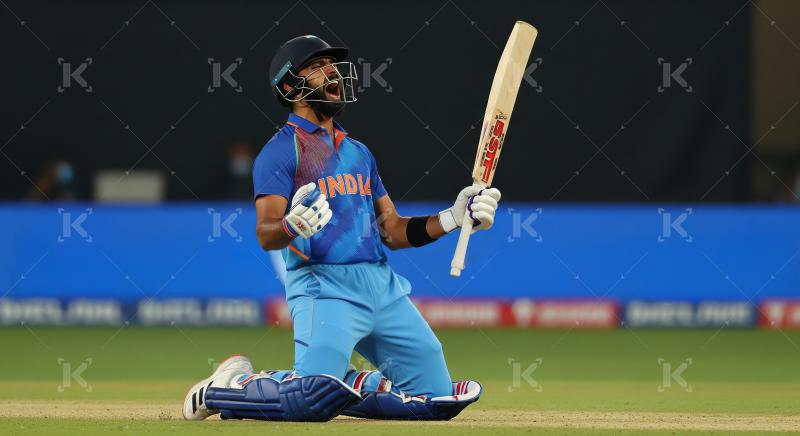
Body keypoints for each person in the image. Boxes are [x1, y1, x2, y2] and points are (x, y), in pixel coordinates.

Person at [183, 35, 500, 422]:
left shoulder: (359, 153)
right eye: (316, 66)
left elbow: (393, 231)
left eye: (331, 64)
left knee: (433, 401)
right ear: (289, 86)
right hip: (323, 288)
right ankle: (228, 386)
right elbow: (266, 232)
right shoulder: (281, 152)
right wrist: (291, 224)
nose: (331, 71)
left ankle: (348, 384)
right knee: (311, 400)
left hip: (381, 287)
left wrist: (452, 217)